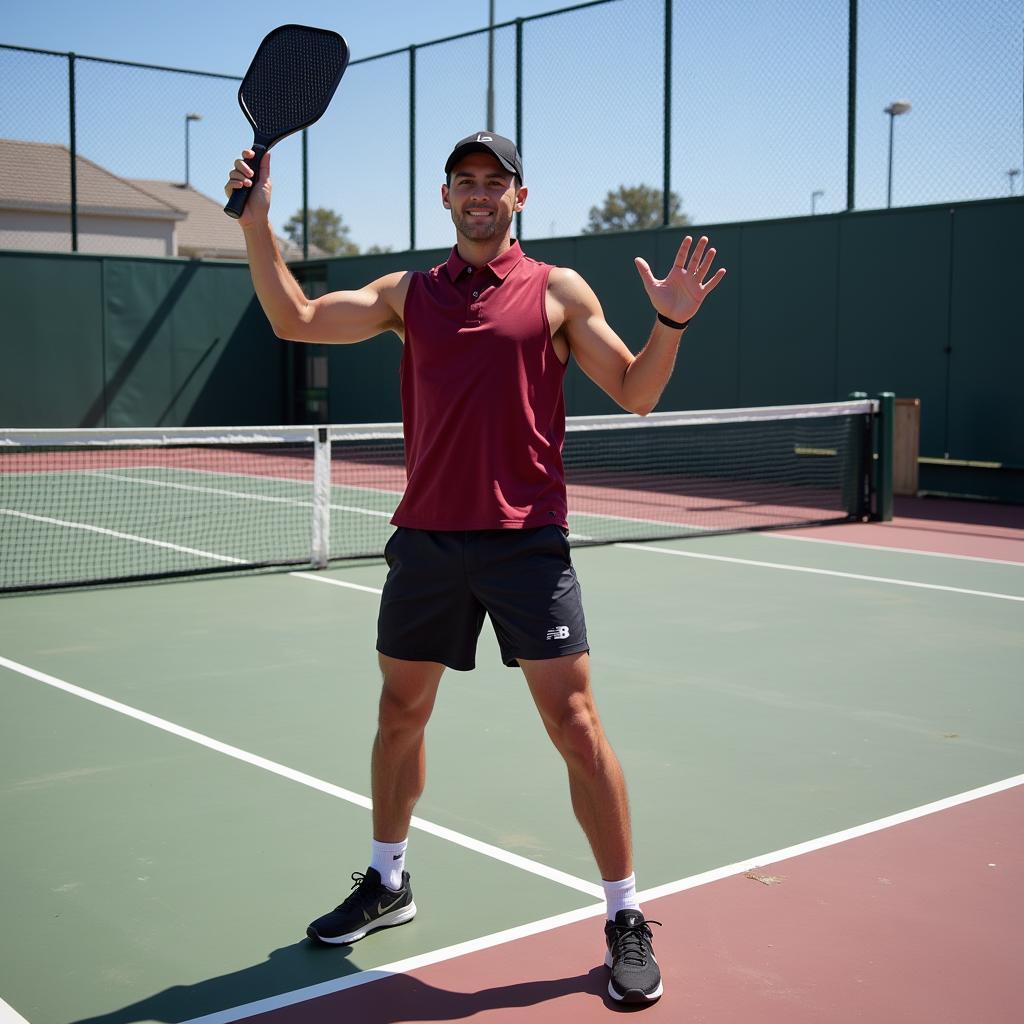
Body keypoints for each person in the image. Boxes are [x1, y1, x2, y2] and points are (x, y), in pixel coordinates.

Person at [225, 131, 725, 1005]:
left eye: (496, 182)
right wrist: (257, 222)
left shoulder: (559, 291)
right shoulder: (407, 295)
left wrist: (671, 322)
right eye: (466, 182)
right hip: (426, 541)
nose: (481, 194)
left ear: (519, 198)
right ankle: (388, 882)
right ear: (445, 197)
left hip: (528, 542)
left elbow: (638, 391)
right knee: (398, 713)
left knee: (575, 724)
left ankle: (624, 914)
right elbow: (292, 318)